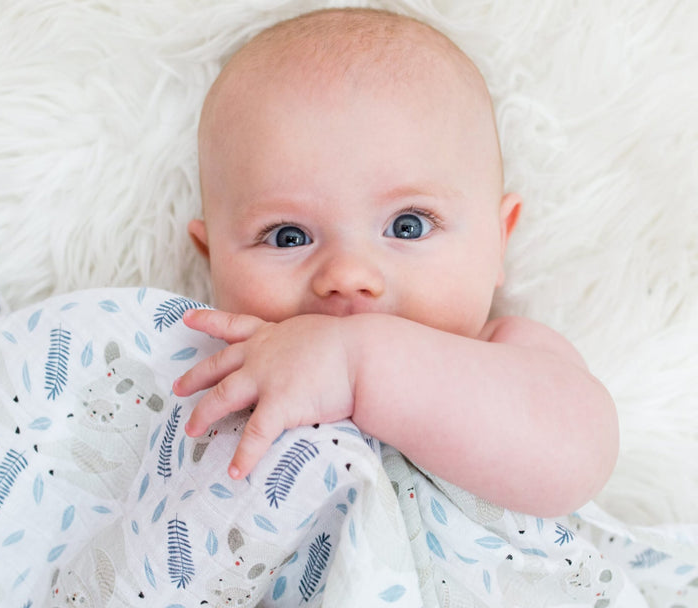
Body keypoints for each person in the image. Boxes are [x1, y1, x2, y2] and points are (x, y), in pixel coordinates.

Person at [172, 7, 618, 518]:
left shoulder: (504, 355)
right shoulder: (206, 371)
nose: (347, 275)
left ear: (499, 243)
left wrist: (354, 365)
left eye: (408, 225)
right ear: (212, 261)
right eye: (287, 236)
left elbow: (573, 462)